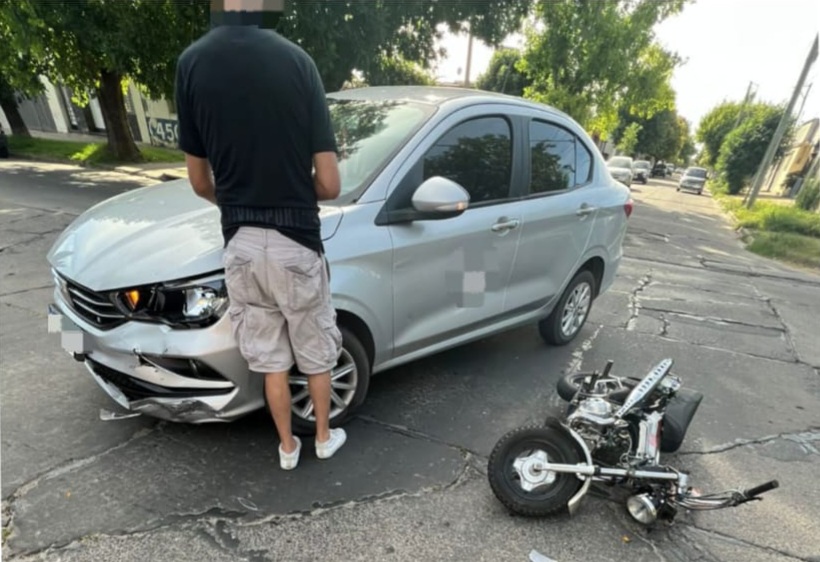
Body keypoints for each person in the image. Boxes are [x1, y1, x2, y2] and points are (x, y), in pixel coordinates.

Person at [174, 0, 346, 470]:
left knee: (271, 358)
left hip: (242, 243)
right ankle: (324, 438)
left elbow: (199, 181)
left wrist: (238, 201)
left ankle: (286, 448)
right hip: (296, 240)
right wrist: (291, 191)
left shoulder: (190, 65)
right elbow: (330, 183)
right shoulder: (298, 62)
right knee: (314, 349)